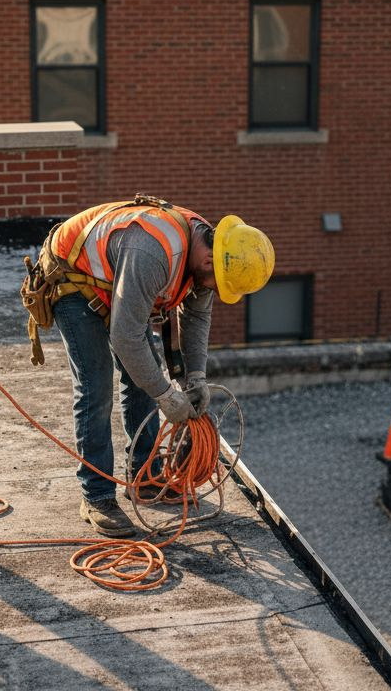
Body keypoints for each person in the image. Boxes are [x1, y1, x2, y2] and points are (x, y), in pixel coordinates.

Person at [27, 197, 275, 537]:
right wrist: (164, 395)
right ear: (208, 261)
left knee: (143, 372)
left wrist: (196, 377)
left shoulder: (211, 251)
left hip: (120, 281)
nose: (215, 291)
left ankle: (143, 477)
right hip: (73, 277)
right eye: (218, 284)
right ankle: (96, 497)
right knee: (96, 387)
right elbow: (126, 337)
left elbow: (197, 315)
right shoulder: (155, 253)